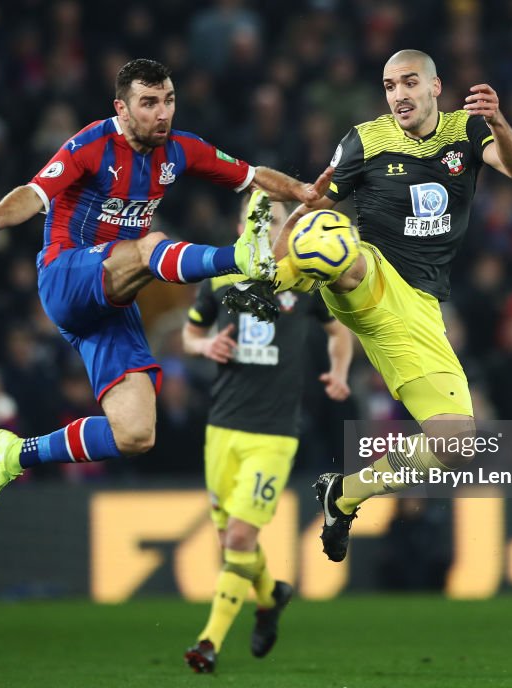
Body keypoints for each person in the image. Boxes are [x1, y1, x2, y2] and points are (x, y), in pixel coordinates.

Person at [0, 59, 329, 518]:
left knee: (137, 433)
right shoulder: (91, 144)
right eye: (149, 103)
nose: (162, 113)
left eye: (168, 100)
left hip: (112, 301)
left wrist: (302, 191)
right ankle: (243, 258)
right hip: (67, 275)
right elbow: (35, 191)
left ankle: (15, 454)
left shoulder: (181, 150)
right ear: (122, 108)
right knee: (149, 248)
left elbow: (252, 174)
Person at [273, 49, 512, 561]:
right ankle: (279, 285)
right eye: (389, 86)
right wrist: (281, 253)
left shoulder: (467, 131)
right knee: (338, 247)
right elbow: (317, 202)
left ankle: (344, 494)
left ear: (435, 87)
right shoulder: (364, 139)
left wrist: (499, 121)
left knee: (457, 444)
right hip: (373, 274)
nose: (398, 95)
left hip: (420, 308)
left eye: (409, 83)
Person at [181, 200, 353, 673]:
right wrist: (203, 345)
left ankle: (208, 642)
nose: (268, 227)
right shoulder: (218, 278)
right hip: (222, 428)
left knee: (239, 535)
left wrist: (339, 371)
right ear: (241, 226)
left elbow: (341, 333)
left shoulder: (306, 278)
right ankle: (270, 595)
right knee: (230, 543)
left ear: (291, 228)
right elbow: (189, 334)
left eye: (277, 220)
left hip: (273, 435)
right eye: (259, 220)